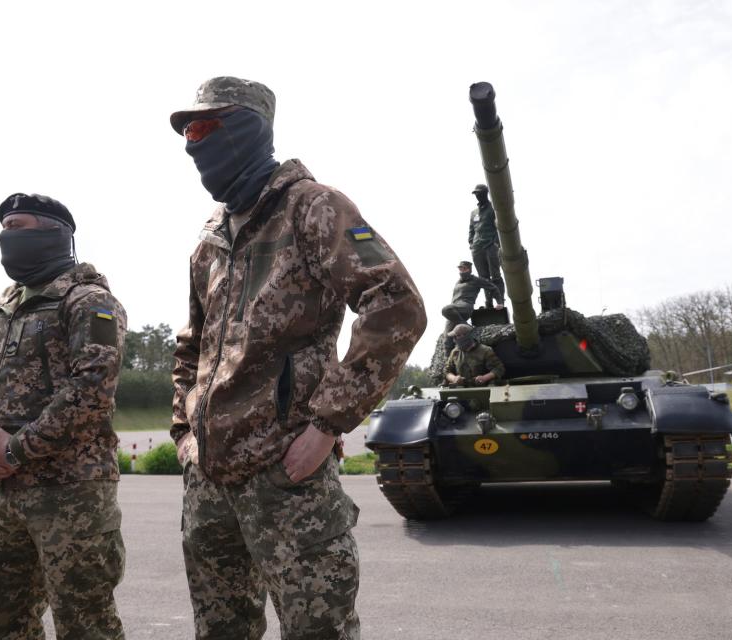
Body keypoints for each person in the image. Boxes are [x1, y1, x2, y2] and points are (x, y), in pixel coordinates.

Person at [169, 76, 427, 639]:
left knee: (318, 631)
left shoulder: (313, 207)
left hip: (286, 477)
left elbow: (396, 306)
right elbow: (190, 348)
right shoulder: (209, 240)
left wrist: (326, 425)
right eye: (187, 131)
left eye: (206, 127)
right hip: (209, 485)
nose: (193, 142)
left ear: (249, 129)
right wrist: (185, 433)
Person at [0, 193, 127, 640]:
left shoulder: (89, 301)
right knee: (3, 621)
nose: (7, 236)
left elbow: (91, 391)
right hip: (1, 492)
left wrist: (16, 448)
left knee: (85, 623)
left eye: (19, 226)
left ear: (55, 234)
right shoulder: (4, 308)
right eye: (4, 227)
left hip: (71, 492)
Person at [441, 260, 505, 342]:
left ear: (469, 270)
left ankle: (465, 325)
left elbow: (493, 288)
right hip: (454, 311)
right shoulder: (458, 282)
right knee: (447, 339)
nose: (462, 271)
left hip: (465, 307)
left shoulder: (475, 280)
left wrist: (500, 302)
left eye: (464, 269)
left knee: (445, 309)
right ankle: (451, 353)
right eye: (460, 269)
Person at [468, 184, 506, 308]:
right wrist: (471, 242)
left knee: (495, 276)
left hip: (491, 246)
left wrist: (495, 243)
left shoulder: (494, 209)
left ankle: (500, 302)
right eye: (476, 194)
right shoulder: (474, 213)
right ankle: (488, 302)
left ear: (485, 193)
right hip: (477, 248)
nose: (477, 196)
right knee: (483, 278)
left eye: (480, 193)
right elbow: (471, 229)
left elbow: (501, 227)